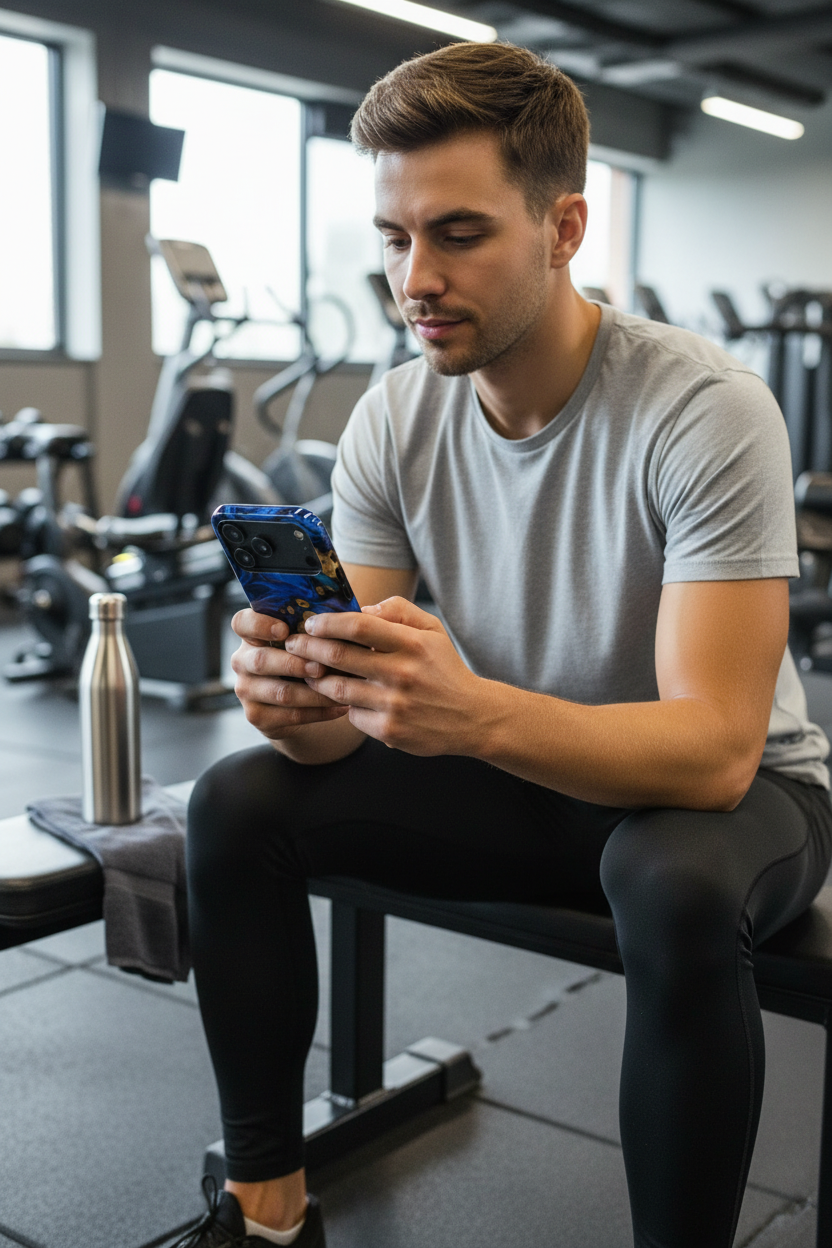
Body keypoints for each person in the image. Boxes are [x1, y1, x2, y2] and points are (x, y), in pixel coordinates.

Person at [177, 41, 832, 1248]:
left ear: (563, 226)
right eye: (393, 239)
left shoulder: (706, 411)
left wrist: (469, 712)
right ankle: (267, 1215)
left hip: (721, 807)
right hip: (519, 777)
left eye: (459, 234)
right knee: (233, 800)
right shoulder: (393, 415)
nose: (414, 279)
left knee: (672, 879)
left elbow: (714, 755)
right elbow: (339, 732)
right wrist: (291, 700)